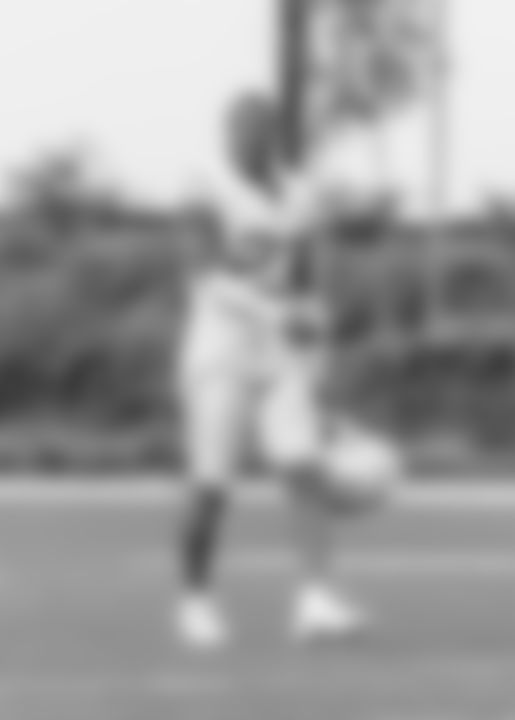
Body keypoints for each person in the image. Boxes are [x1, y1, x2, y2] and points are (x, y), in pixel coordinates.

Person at [172, 93, 368, 651]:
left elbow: (306, 274)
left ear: (272, 135)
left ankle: (315, 598)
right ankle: (196, 600)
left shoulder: (299, 192)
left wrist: (317, 331)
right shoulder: (204, 184)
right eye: (236, 129)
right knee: (212, 480)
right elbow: (205, 275)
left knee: (303, 465)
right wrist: (276, 313)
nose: (242, 139)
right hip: (221, 347)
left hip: (280, 351)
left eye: (256, 129)